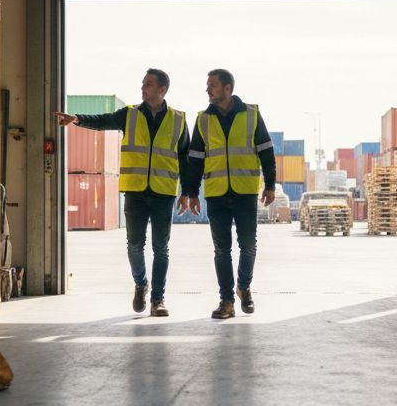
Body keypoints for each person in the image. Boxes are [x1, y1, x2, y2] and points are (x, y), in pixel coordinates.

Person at [54, 69, 193, 317]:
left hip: (164, 193)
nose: (143, 88)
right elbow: (102, 120)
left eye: (148, 84)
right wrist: (77, 118)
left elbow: (185, 158)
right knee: (134, 246)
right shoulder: (129, 114)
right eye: (143, 83)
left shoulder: (178, 120)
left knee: (161, 248)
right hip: (135, 191)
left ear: (162, 90)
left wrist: (188, 192)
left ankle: (158, 300)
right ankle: (141, 284)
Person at [182, 69, 276, 319]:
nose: (207, 89)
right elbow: (195, 159)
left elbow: (266, 151)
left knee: (248, 246)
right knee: (222, 250)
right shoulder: (203, 119)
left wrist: (270, 185)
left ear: (227, 88)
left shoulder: (252, 115)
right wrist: (192, 193)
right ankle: (226, 301)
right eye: (207, 85)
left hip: (245, 192)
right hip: (216, 194)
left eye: (212, 85)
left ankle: (243, 287)